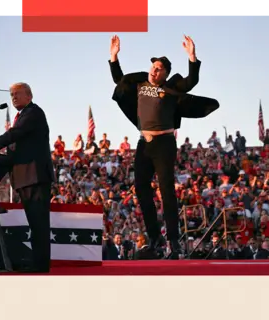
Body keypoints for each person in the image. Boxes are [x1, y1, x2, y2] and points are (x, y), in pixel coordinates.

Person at [108, 35, 219, 259]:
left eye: (159, 68)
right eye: (153, 66)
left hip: (164, 143)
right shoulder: (140, 84)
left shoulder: (170, 87)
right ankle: (154, 238)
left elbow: (190, 82)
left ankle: (173, 242)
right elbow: (119, 80)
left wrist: (192, 57)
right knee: (140, 187)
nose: (154, 70)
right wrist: (114, 57)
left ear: (165, 73)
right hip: (144, 143)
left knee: (167, 191)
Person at [0, 82, 55, 273]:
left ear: (29, 96)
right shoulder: (23, 116)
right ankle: (38, 263)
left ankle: (40, 266)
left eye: (18, 93)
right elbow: (15, 149)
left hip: (35, 177)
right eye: (11, 94)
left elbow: (14, 135)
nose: (14, 97)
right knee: (35, 223)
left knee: (38, 224)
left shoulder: (33, 113)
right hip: (26, 177)